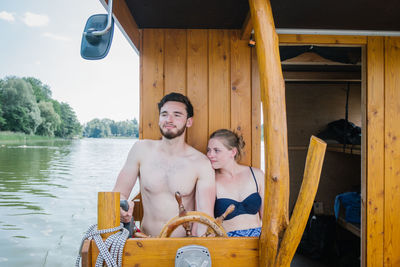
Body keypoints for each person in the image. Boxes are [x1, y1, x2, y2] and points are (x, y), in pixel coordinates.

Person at [113, 92, 215, 237]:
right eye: (164, 114)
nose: (169, 119)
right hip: (145, 242)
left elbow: (205, 217)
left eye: (177, 115)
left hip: (182, 247)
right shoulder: (141, 150)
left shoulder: (201, 163)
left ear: (189, 121)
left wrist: (197, 248)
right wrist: (122, 207)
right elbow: (118, 193)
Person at [206, 129, 265, 237]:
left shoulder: (257, 175)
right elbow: (207, 222)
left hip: (259, 240)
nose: (210, 155)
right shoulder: (210, 180)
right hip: (227, 243)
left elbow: (267, 217)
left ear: (233, 152)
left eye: (216, 150)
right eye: (208, 150)